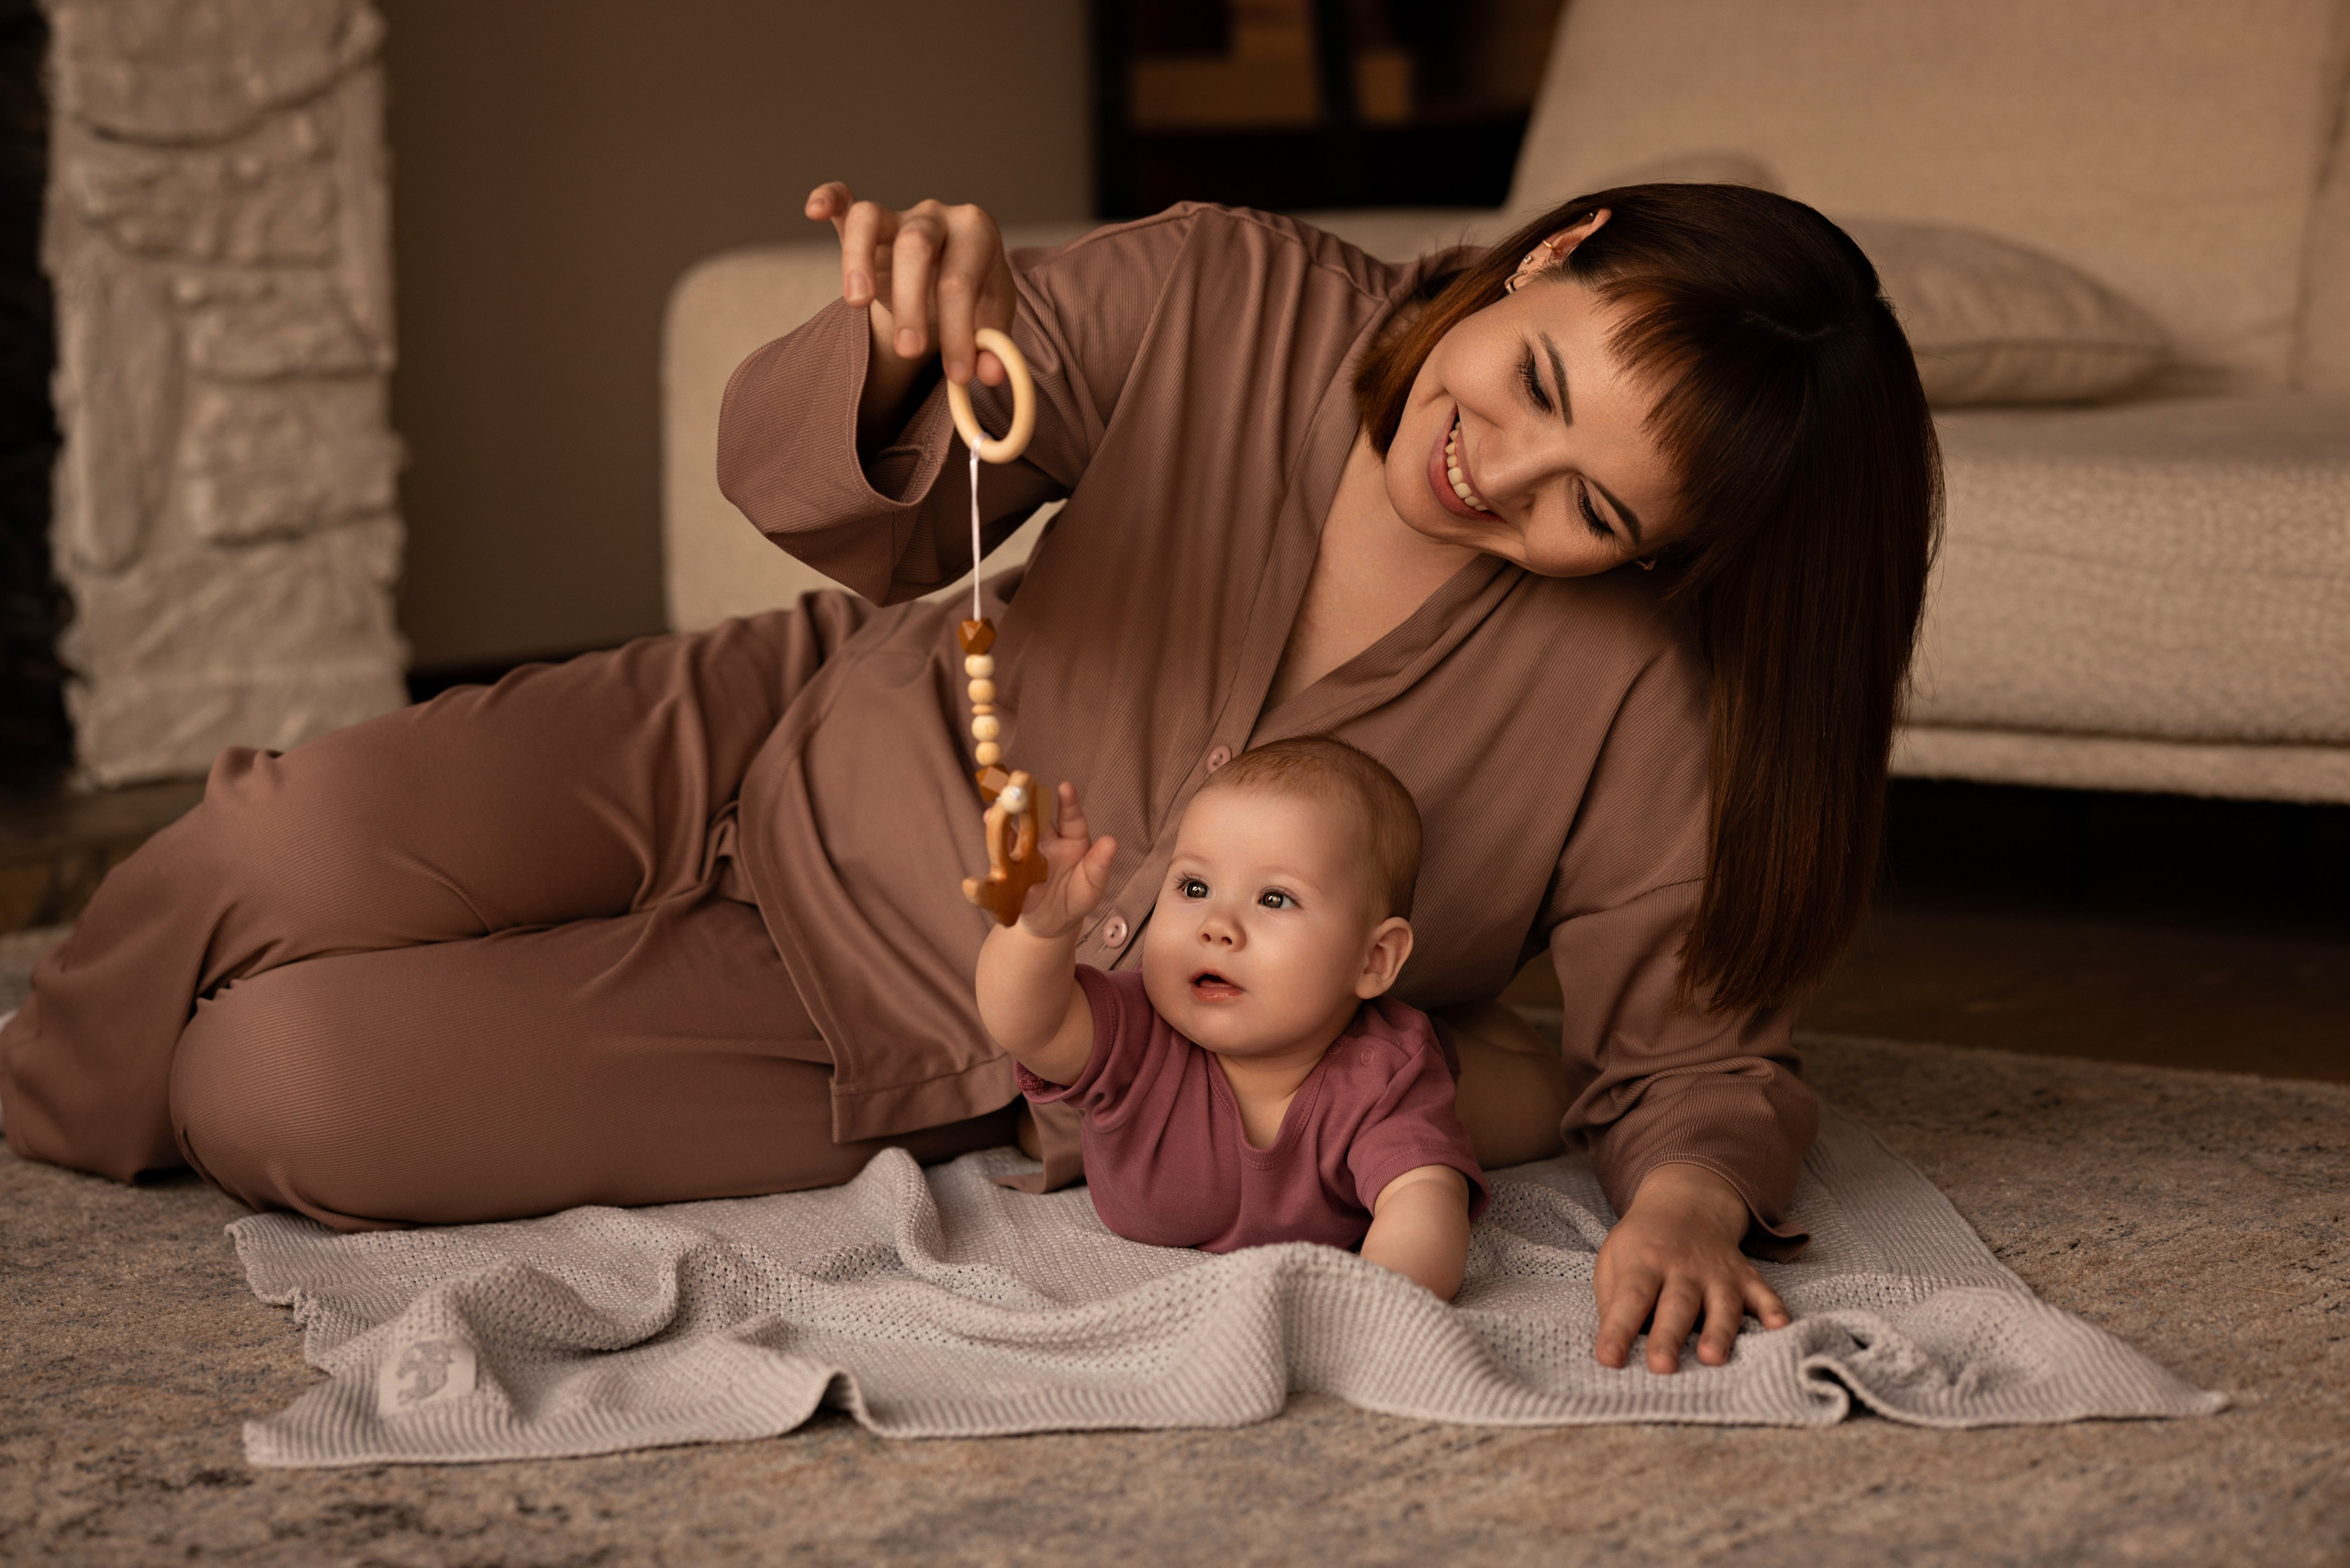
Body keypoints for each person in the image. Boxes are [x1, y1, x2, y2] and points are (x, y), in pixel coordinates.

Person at [0, 179, 1938, 1376]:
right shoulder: (1235, 292)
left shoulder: (1633, 696)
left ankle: (265, 984)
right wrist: (913, 339)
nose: (1492, 467)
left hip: (875, 1013)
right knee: (276, 838)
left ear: (1672, 554)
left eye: (1588, 501)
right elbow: (831, 472)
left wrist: (1684, 1191)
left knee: (281, 1083)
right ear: (1555, 248)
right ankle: (57, 1065)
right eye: (1531, 377)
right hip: (774, 723)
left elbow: (1688, 1041)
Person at [977, 738, 1488, 1300]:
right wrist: (1037, 934)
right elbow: (1029, 1025)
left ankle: (1506, 1048)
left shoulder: (1386, 1073)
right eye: (1194, 888)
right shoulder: (1135, 1031)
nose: (1217, 925)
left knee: (1512, 1109)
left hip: (1455, 1067)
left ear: (1373, 960)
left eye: (1274, 899)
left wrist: (1372, 1307)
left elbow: (1425, 1203)